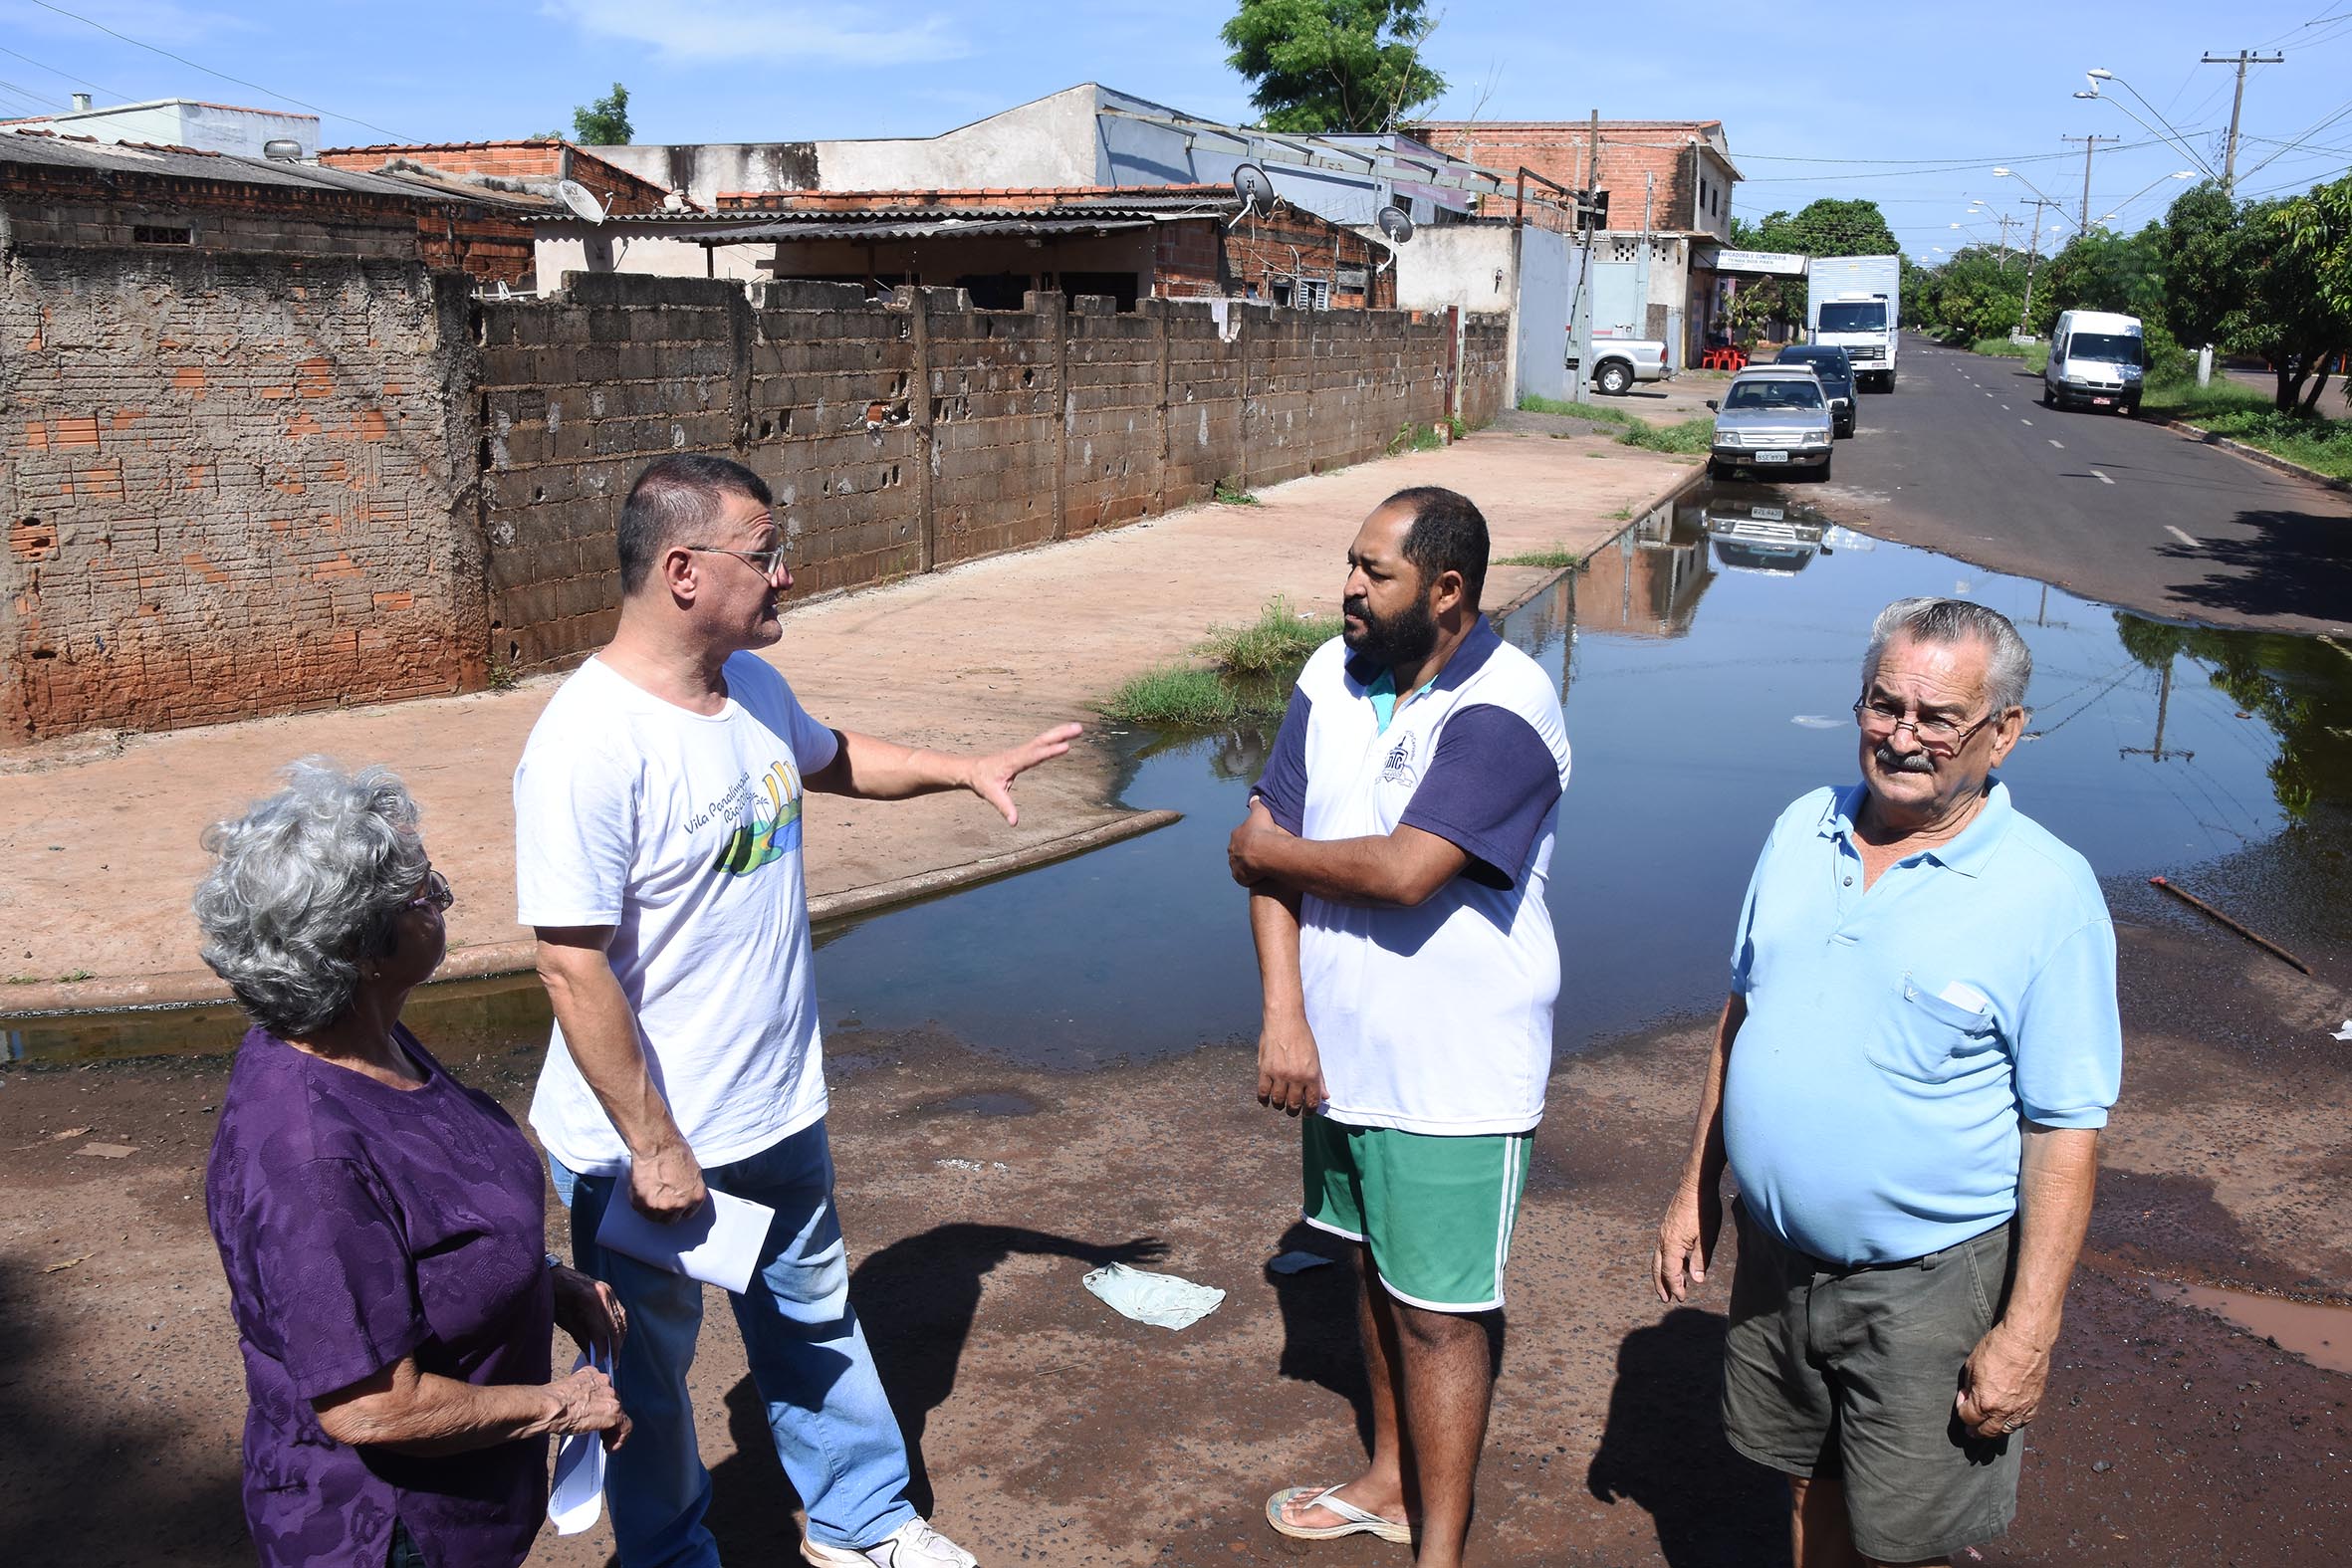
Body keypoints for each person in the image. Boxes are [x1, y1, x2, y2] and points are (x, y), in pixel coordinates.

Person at [514, 452, 1077, 1568]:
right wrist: (653, 1143)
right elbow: (569, 965)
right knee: (652, 1376)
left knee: (814, 1318)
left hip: (774, 1110)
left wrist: (961, 767)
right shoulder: (587, 743)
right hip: (652, 1146)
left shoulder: (750, 690)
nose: (787, 574)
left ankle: (860, 1520)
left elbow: (832, 759)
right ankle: (670, 1555)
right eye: (765, 554)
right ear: (684, 570)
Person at [1652, 597, 2122, 1568]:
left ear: (2003, 734)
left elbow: (2064, 1129)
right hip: (1777, 1261)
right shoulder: (1799, 828)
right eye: (1882, 705)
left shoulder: (2048, 893)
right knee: (1805, 1484)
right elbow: (1743, 1018)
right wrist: (1695, 1183)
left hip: (1927, 1288)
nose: (1901, 736)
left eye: (1936, 717)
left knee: (1908, 1537)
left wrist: (2026, 1333)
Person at [1227, 486, 1571, 1568]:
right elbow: (1267, 839)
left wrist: (1266, 852)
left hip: (1450, 1070)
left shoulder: (1506, 708)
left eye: (1374, 572)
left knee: (1440, 1315)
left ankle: (1440, 1552)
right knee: (1374, 1276)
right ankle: (1384, 1482)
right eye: (1349, 565)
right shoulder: (1329, 676)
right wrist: (1284, 1015)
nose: (1349, 589)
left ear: (1449, 589)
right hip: (1336, 1057)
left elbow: (1402, 870)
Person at [198, 759, 629, 1568]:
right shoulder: (310, 1157)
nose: (444, 900)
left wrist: (541, 1281)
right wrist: (563, 1403)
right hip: (385, 1530)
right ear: (362, 947)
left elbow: (423, 1225)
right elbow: (371, 1407)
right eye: (425, 891)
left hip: (464, 1505)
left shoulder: (361, 1033)